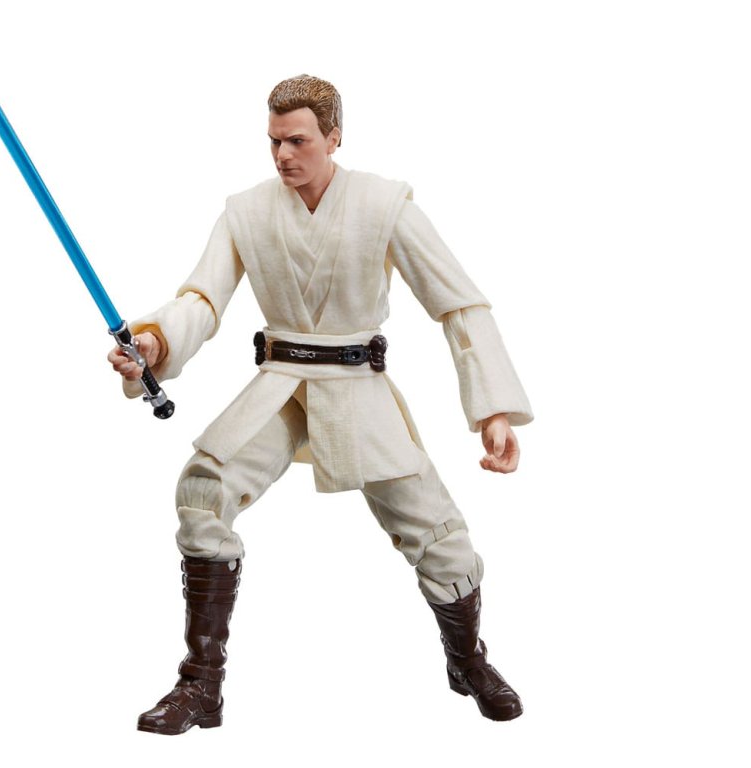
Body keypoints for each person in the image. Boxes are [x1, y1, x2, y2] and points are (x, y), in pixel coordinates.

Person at [109, 74, 533, 735]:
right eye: (274, 141)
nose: (283, 155)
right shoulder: (246, 211)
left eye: (298, 141)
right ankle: (201, 683)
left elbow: (457, 302)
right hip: (280, 383)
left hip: (356, 385)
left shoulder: (384, 205)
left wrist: (493, 409)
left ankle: (468, 660)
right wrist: (155, 343)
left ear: (333, 137)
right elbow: (202, 298)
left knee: (438, 534)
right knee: (203, 490)